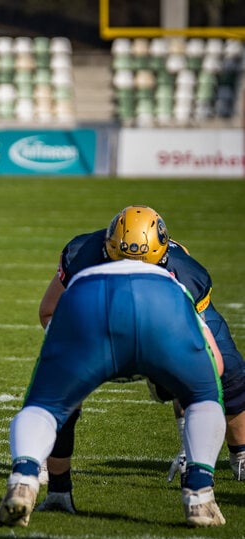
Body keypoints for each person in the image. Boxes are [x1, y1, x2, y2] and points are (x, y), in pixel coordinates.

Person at [35, 205, 245, 514]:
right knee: (59, 390)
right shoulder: (83, 253)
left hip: (166, 325)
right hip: (99, 325)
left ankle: (238, 456)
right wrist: (76, 342)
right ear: (107, 248)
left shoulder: (186, 272)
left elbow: (211, 357)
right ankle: (55, 487)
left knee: (230, 375)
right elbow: (48, 312)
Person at [0, 258, 227, 528]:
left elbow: (50, 315)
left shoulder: (82, 254)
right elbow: (217, 366)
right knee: (204, 399)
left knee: (43, 407)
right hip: (164, 303)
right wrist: (180, 383)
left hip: (87, 298)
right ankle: (199, 494)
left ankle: (23, 479)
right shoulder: (182, 274)